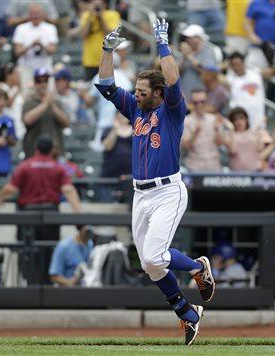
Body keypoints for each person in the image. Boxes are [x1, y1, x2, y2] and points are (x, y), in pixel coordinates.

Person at [94, 20, 215, 345]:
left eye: (142, 91)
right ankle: (188, 315)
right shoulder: (135, 108)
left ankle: (195, 267)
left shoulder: (172, 110)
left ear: (158, 94)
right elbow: (105, 84)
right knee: (150, 264)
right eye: (135, 90)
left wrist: (163, 43)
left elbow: (173, 78)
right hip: (140, 195)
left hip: (167, 191)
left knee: (156, 255)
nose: (136, 94)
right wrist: (107, 50)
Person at [0, 136, 81, 284]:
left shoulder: (25, 166)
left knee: (26, 251)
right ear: (52, 150)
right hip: (51, 216)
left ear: (36, 149)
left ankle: (30, 284)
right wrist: (78, 214)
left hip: (27, 216)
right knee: (50, 251)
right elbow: (68, 189)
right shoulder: (58, 167)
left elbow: (11, 188)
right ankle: (46, 285)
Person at [22, 68, 69, 158]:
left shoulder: (56, 102)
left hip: (55, 153)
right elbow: (27, 120)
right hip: (34, 154)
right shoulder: (29, 102)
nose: (43, 84)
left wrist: (52, 106)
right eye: (39, 81)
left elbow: (66, 122)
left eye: (45, 81)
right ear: (35, 83)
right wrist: (45, 104)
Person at [12, 4, 58, 94]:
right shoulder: (21, 28)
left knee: (48, 94)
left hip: (45, 68)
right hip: (26, 68)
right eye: (33, 13)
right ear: (29, 15)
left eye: (37, 13)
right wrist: (31, 45)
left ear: (42, 14)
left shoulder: (50, 28)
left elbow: (52, 50)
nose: (35, 16)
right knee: (26, 95)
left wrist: (41, 45)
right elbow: (17, 52)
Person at [77, 0, 120, 80]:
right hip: (90, 61)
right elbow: (83, 34)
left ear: (104, 4)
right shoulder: (86, 15)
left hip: (107, 60)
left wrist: (100, 16)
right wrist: (90, 16)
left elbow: (111, 34)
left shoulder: (112, 14)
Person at [181, 89, 224, 172]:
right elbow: (186, 147)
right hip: (195, 166)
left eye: (202, 102)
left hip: (213, 165)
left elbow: (220, 144)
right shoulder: (186, 121)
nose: (199, 105)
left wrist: (217, 129)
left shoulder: (214, 119)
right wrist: (195, 132)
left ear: (207, 102)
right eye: (195, 103)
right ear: (191, 103)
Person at [177, 24, 220, 100]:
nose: (188, 40)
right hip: (184, 95)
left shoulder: (208, 51)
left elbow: (207, 72)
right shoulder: (184, 52)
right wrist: (184, 57)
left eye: (191, 38)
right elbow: (177, 72)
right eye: (187, 38)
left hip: (200, 97)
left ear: (199, 38)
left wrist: (189, 56)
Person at [225, 52, 266, 129]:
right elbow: (214, 75)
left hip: (258, 121)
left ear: (243, 63)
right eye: (234, 65)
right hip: (240, 124)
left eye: (239, 64)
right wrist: (224, 66)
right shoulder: (229, 79)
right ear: (231, 66)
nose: (237, 67)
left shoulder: (255, 73)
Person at [99, 112, 132, 202]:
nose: (123, 116)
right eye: (120, 114)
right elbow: (108, 146)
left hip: (130, 176)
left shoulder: (135, 129)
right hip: (110, 175)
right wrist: (115, 129)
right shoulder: (109, 130)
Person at [221, 107, 265, 172]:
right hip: (237, 173)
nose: (239, 122)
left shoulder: (253, 133)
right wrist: (232, 130)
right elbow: (233, 150)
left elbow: (260, 148)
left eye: (241, 118)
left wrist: (258, 131)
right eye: (235, 119)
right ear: (232, 121)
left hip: (255, 171)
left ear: (246, 119)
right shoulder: (229, 135)